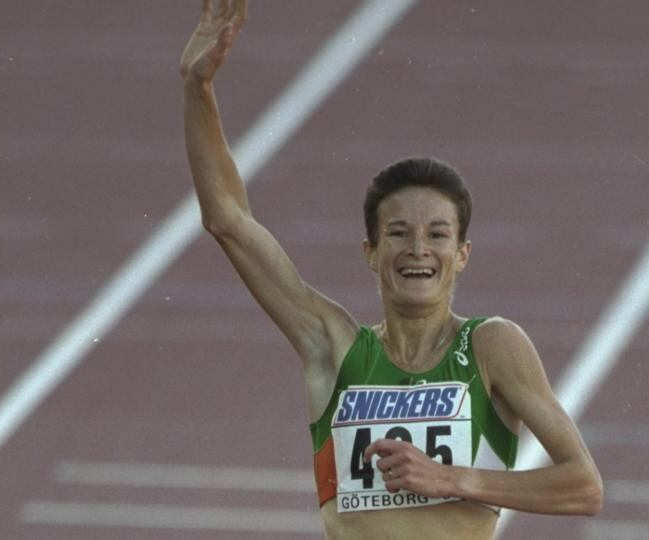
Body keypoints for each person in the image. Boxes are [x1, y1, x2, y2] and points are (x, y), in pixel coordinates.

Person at [180, 1, 602, 538]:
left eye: (438, 234)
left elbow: (583, 487)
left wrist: (452, 478)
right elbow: (228, 221)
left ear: (463, 255)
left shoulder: (492, 346)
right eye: (399, 233)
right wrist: (197, 89)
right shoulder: (334, 348)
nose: (418, 248)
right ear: (371, 252)